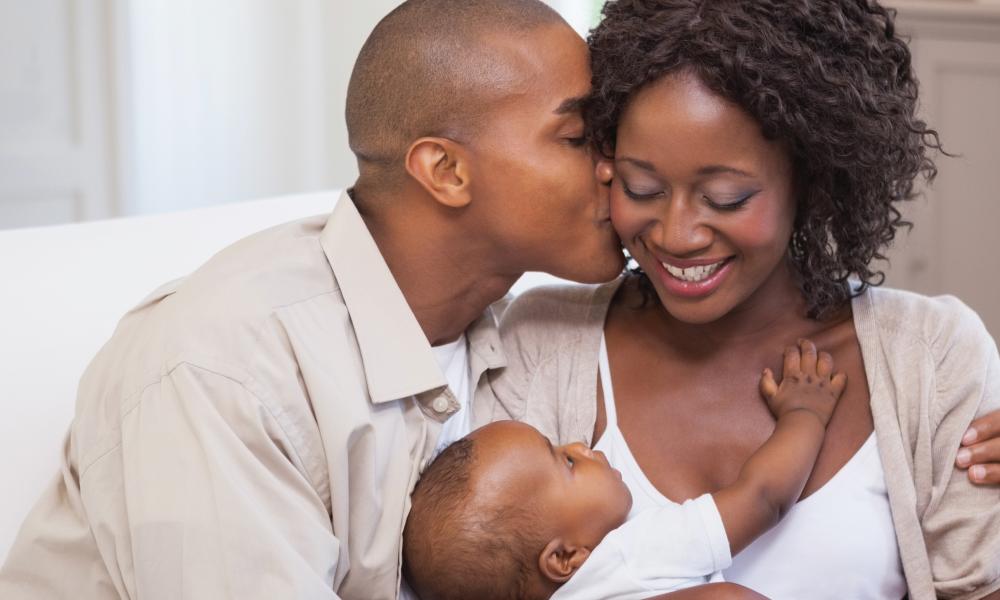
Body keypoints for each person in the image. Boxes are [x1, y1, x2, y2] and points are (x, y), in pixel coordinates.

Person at [0, 1, 624, 599]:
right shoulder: (227, 369)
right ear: (446, 171)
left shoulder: (523, 344)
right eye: (576, 136)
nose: (614, 164)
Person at [486, 1, 1000, 599]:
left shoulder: (931, 358)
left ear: (811, 178)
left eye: (726, 198)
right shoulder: (540, 346)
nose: (677, 234)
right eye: (641, 186)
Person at [406, 341, 844, 600]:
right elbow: (763, 497)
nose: (579, 444)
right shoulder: (630, 554)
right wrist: (804, 414)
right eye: (567, 461)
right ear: (564, 557)